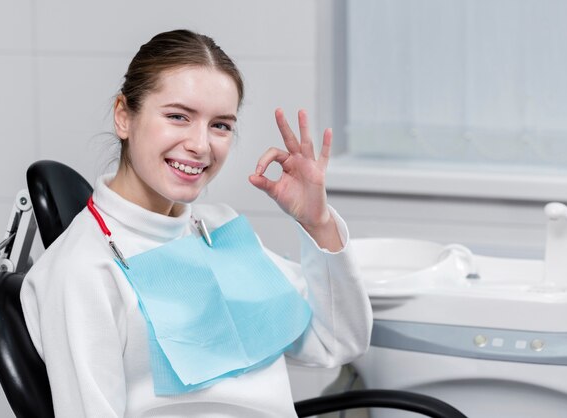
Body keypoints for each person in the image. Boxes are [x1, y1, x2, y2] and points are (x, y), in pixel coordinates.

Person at [21, 29, 372, 418]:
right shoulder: (82, 270)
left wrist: (317, 221)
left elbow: (336, 342)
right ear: (124, 116)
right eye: (178, 117)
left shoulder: (219, 228)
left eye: (220, 125)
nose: (201, 145)